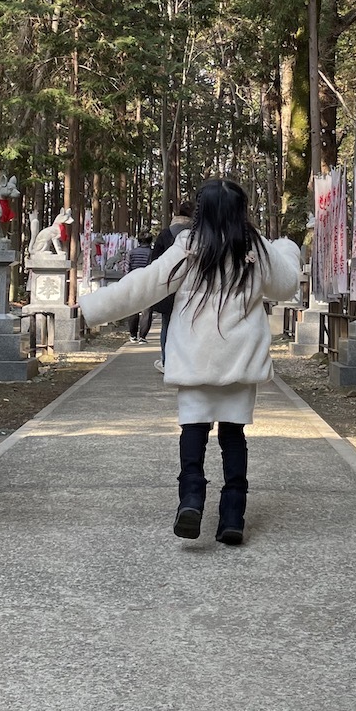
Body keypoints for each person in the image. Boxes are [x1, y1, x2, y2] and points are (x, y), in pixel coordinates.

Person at [78, 179, 299, 545]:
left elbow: (143, 285)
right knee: (234, 435)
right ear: (241, 211)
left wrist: (93, 307)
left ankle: (191, 501)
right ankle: (232, 517)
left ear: (200, 212)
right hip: (239, 361)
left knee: (193, 432)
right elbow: (286, 284)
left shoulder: (188, 248)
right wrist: (287, 248)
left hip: (195, 359)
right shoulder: (256, 249)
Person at [149, 202, 193, 368]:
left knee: (167, 325)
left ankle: (166, 362)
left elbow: (154, 261)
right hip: (191, 287)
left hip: (169, 286)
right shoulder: (197, 233)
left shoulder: (166, 233)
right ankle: (186, 364)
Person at [123, 234, 156, 341]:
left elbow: (127, 269)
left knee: (133, 309)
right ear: (150, 241)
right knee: (146, 311)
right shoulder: (152, 253)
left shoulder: (131, 253)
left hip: (133, 283)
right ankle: (142, 336)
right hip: (147, 284)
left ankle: (133, 335)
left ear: (139, 241)